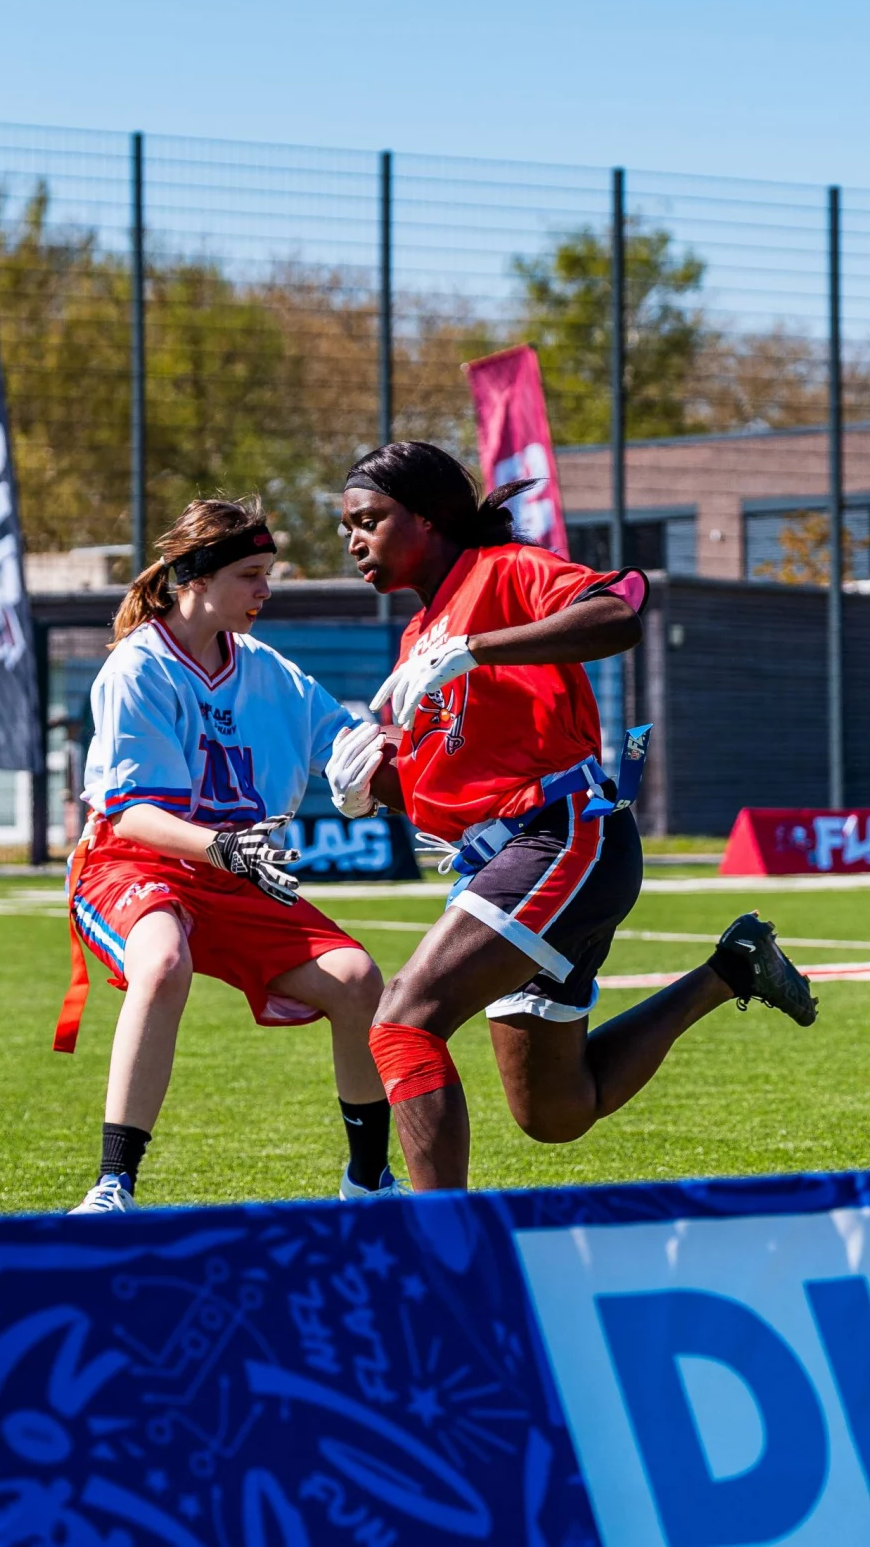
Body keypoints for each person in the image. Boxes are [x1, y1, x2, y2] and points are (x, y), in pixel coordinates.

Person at [328, 441, 817, 1194]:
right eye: (348, 528)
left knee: (402, 1021)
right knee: (555, 1110)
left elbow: (618, 613)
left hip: (565, 836)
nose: (353, 540)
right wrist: (374, 787)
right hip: (519, 858)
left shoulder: (504, 570)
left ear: (426, 518)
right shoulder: (414, 637)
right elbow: (453, 794)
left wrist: (474, 648)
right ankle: (730, 969)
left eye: (368, 520)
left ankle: (438, 1249)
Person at [61, 497, 399, 1213]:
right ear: (194, 577)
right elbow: (133, 814)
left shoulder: (269, 670)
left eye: (266, 573)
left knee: (358, 979)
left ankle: (368, 1183)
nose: (264, 590)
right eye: (250, 574)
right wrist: (221, 847)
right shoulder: (139, 667)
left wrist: (390, 768)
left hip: (233, 870)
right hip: (136, 863)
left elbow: (344, 746)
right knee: (161, 961)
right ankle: (112, 1186)